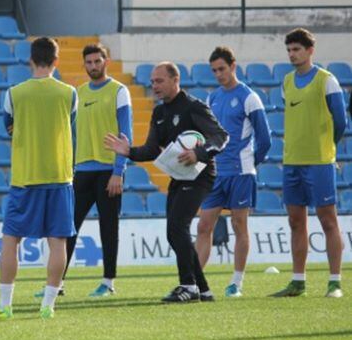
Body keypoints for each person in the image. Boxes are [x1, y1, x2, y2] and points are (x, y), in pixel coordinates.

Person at [105, 62, 229, 303]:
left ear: (175, 80)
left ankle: (188, 286)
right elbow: (152, 149)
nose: (154, 86)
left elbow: (221, 137)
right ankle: (202, 289)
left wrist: (199, 154)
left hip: (201, 175)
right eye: (152, 82)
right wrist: (128, 151)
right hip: (179, 176)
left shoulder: (194, 107)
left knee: (176, 228)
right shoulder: (159, 113)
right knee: (174, 232)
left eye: (159, 81)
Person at [0, 37, 77, 319]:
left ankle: (5, 305)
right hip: (60, 177)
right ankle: (48, 305)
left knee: (11, 240)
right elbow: (69, 123)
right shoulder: (70, 93)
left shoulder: (14, 93)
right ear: (56, 61)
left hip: (25, 177)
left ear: (31, 60)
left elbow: (9, 127)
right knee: (58, 243)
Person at [272, 28, 346, 298]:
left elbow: (341, 121)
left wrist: (330, 149)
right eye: (289, 50)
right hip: (292, 161)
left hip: (319, 162)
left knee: (328, 221)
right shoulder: (287, 81)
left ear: (310, 51)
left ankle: (335, 282)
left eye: (297, 49)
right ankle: (297, 281)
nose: (292, 54)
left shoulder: (327, 80)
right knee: (295, 222)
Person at [195, 47, 271, 298]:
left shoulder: (249, 97)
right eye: (214, 70)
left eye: (222, 69)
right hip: (216, 173)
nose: (218, 74)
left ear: (233, 66)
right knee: (204, 225)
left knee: (240, 226)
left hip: (241, 173)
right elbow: (207, 136)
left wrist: (249, 164)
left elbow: (265, 139)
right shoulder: (212, 98)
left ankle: (236, 282)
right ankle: (194, 282)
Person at [60, 43, 132, 298]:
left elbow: (126, 135)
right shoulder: (77, 93)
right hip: (81, 171)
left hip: (108, 171)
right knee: (68, 227)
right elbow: (72, 135)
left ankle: (108, 282)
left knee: (108, 227)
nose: (93, 66)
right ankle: (57, 284)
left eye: (97, 61)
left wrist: (118, 171)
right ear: (84, 64)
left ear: (106, 61)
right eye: (89, 62)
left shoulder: (119, 91)